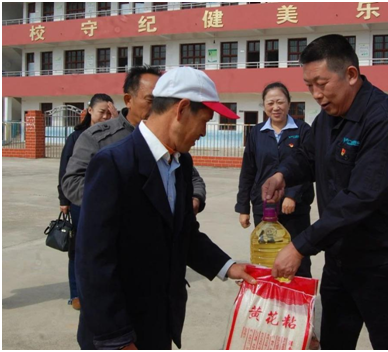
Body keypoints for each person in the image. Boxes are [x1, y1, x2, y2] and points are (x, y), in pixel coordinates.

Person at [261, 34, 388, 350]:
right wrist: (283, 174)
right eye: (309, 86)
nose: (316, 94)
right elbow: (308, 155)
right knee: (335, 341)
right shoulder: (327, 118)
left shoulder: (386, 122)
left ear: (351, 75)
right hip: (341, 259)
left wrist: (300, 246)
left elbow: (360, 198)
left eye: (322, 83)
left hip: (387, 263)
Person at [75, 67, 256, 350]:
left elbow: (184, 232)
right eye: (204, 121)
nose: (204, 133)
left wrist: (228, 267)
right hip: (120, 329)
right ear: (182, 109)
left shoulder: (180, 163)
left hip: (159, 322)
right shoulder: (114, 164)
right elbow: (93, 262)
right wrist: (117, 339)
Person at [62, 65, 207, 214]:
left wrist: (195, 198)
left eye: (161, 101)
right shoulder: (98, 138)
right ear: (128, 100)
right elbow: (72, 183)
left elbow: (193, 178)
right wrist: (123, 200)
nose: (157, 107)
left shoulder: (169, 141)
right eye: (150, 100)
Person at [235, 82, 314, 277]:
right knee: (267, 258)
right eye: (270, 103)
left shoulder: (303, 130)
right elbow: (248, 171)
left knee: (298, 259)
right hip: (264, 207)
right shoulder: (256, 132)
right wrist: (243, 207)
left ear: (289, 103)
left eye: (280, 102)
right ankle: (273, 304)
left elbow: (307, 165)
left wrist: (292, 196)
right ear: (264, 105)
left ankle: (299, 304)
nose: (275, 107)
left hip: (295, 210)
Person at [57, 93, 117, 311]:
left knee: (105, 246)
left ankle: (101, 290)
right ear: (89, 110)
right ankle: (77, 294)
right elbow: (65, 170)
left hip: (108, 202)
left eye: (108, 113)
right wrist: (64, 199)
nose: (104, 116)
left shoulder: (112, 136)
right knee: (79, 248)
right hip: (80, 201)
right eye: (101, 112)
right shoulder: (77, 137)